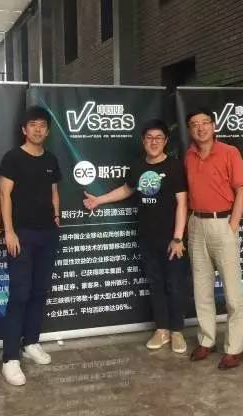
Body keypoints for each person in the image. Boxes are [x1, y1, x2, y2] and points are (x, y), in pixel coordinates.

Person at [83, 120, 189, 353]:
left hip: (172, 239)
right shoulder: (138, 165)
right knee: (155, 284)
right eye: (149, 137)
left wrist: (178, 238)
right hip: (146, 237)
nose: (154, 142)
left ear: (165, 141)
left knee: (174, 285)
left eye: (158, 138)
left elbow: (182, 203)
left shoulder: (174, 166)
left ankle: (177, 331)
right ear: (143, 141)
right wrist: (98, 200)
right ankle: (162, 330)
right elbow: (127, 189)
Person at [0, 105, 61, 386]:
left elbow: (54, 191)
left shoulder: (51, 159)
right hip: (21, 234)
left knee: (39, 291)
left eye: (42, 125)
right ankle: (10, 358)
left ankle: (31, 342)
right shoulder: (13, 158)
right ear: (24, 129)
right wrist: (9, 232)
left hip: (47, 233)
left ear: (47, 131)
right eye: (33, 124)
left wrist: (56, 218)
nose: (38, 129)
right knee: (20, 294)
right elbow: (5, 195)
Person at [184, 108, 243, 370]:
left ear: (214, 125)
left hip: (223, 224)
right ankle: (206, 340)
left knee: (232, 294)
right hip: (196, 224)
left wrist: (232, 226)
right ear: (190, 129)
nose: (200, 128)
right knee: (201, 289)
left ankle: (234, 348)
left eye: (205, 123)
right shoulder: (189, 156)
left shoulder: (230, 152)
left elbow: (241, 190)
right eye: (194, 124)